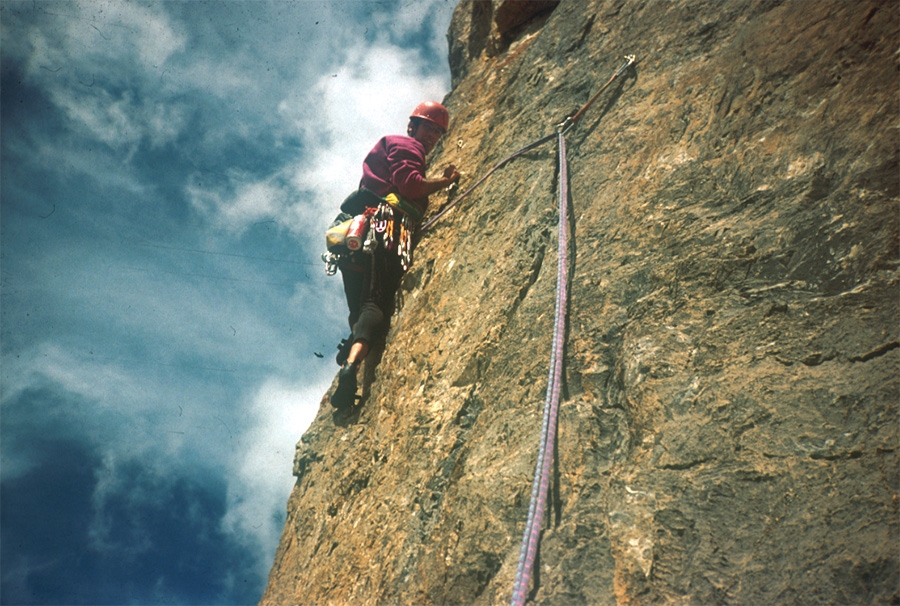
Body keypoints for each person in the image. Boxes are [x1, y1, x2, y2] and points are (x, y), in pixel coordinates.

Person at [331, 101, 460, 410]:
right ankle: (351, 367)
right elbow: (410, 185)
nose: (432, 137)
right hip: (388, 227)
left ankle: (353, 352)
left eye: (438, 134)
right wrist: (446, 181)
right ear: (413, 126)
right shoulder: (407, 145)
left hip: (357, 237)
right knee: (377, 303)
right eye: (429, 128)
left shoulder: (387, 147)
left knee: (360, 309)